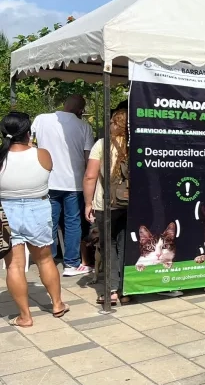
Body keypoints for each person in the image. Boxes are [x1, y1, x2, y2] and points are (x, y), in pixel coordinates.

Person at [0, 112, 68, 327]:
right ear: (28, 132)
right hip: (37, 208)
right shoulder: (42, 154)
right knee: (45, 259)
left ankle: (25, 316)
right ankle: (57, 304)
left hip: (5, 212)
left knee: (14, 267)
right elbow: (48, 170)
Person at [31, 94, 94, 276]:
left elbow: (31, 144)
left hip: (48, 180)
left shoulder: (41, 119)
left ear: (64, 104)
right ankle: (71, 263)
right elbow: (87, 158)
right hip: (74, 183)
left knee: (49, 221)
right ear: (80, 110)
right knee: (73, 222)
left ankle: (47, 261)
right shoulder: (84, 127)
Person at [83, 109, 132, 305]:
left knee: (108, 244)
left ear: (114, 124)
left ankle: (111, 289)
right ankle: (125, 289)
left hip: (106, 203)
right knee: (125, 244)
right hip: (131, 203)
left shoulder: (102, 144)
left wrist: (88, 203)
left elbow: (90, 176)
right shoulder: (136, 143)